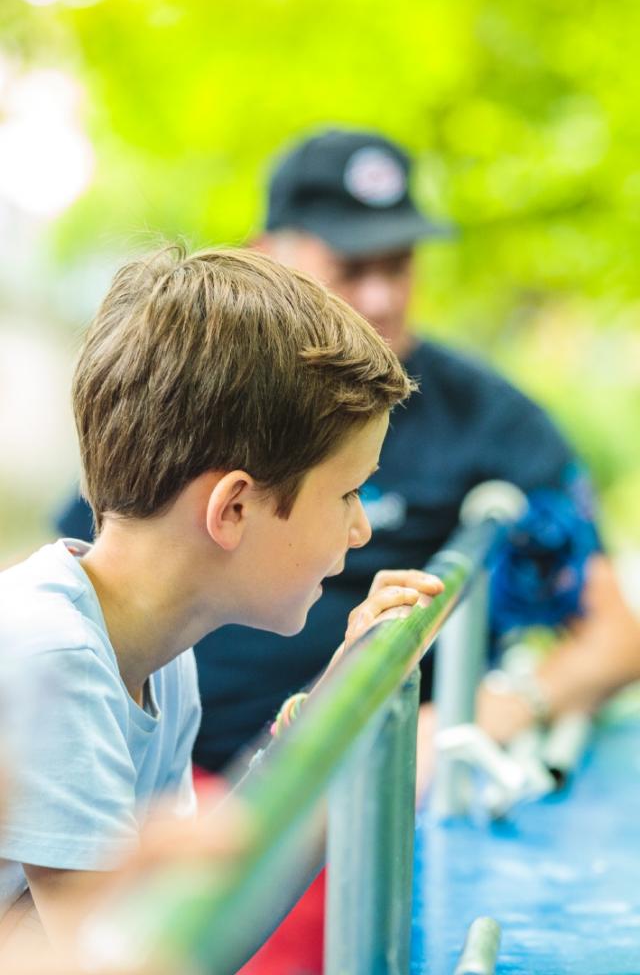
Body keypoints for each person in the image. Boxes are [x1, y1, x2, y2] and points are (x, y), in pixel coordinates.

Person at [56, 131, 640, 781]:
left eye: (399, 265)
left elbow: (616, 633)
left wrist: (460, 722)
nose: (382, 298)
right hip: (153, 767)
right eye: (350, 268)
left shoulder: (492, 421)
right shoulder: (198, 387)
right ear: (264, 258)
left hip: (356, 784)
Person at [0, 245, 443, 954]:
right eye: (348, 492)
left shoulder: (158, 656)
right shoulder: (54, 657)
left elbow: (201, 919)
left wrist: (330, 707)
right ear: (233, 508)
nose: (361, 529)